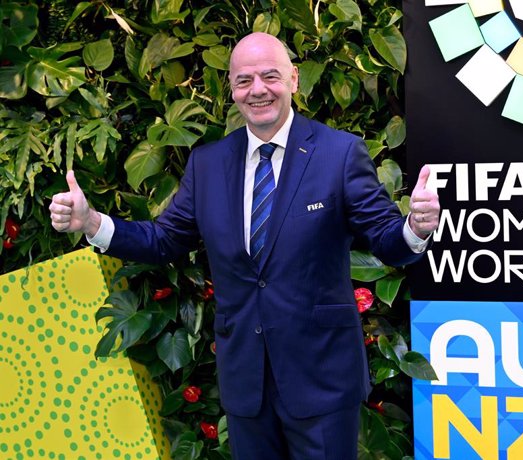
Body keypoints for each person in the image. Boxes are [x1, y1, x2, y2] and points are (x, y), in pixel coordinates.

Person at [49, 32, 440, 460]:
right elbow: (164, 240)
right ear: (231, 90)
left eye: (270, 76)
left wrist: (416, 227)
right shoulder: (208, 163)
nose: (257, 90)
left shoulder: (339, 153)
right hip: (245, 383)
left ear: (293, 79)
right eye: (243, 80)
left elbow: (386, 239)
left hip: (322, 379)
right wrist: (91, 222)